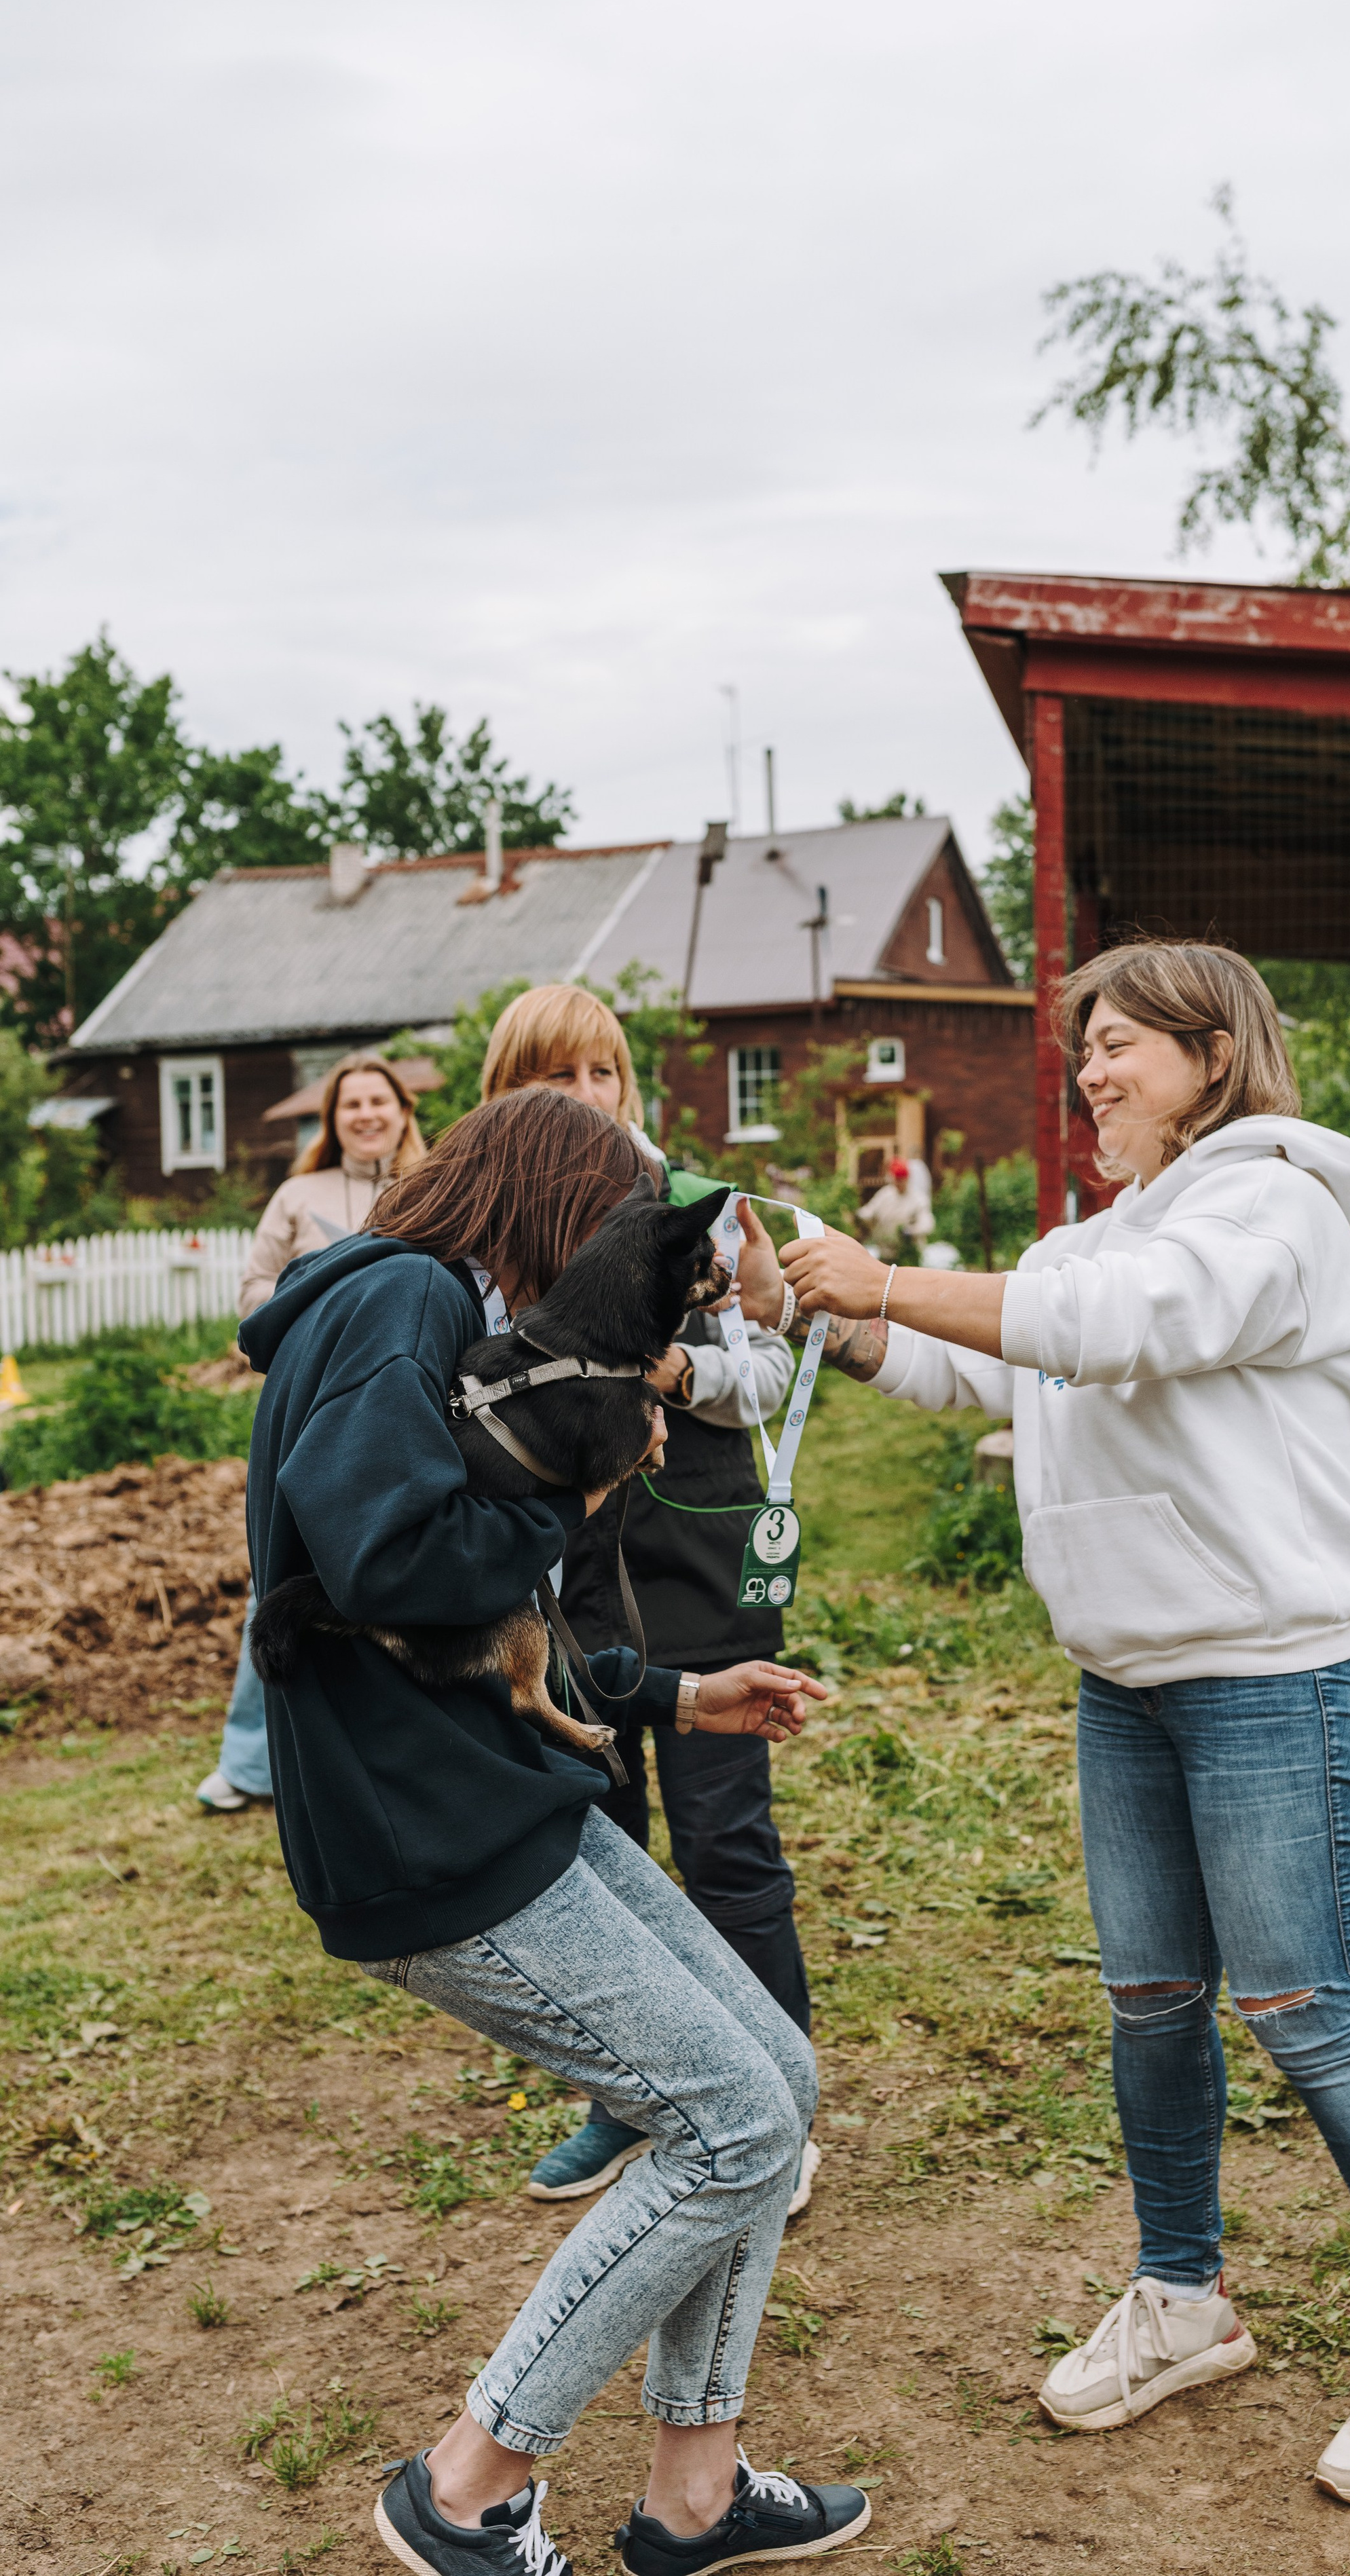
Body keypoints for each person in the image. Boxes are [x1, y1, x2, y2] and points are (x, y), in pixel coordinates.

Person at [737, 939, 1350, 2514]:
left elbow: (1122, 1321)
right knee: (1152, 1996)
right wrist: (817, 1309)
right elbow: (994, 1367)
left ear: (1214, 1057)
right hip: (1130, 1681)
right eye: (1082, 1047)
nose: (1089, 1070)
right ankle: (1181, 2295)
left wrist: (884, 1271)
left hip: (1276, 1676)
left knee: (1302, 2005)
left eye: (1122, 1045)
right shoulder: (1099, 1235)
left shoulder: (1273, 1208)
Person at [239, 1088, 870, 2576]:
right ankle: (464, 2486)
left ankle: (693, 2494)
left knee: (772, 2077)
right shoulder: (389, 1302)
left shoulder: (431, 1310)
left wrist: (672, 1688)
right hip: (427, 1823)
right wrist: (578, 1491)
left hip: (498, 1780)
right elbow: (391, 1555)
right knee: (726, 2124)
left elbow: (486, 1618)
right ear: (544, 1201)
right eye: (603, 1228)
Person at [473, 984, 823, 2212]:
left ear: (630, 1088)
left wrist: (683, 1369)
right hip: (568, 1587)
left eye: (601, 1077)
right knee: (605, 1843)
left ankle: (783, 2099)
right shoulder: (482, 1246)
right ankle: (634, 2100)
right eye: (552, 1081)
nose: (584, 1103)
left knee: (727, 1842)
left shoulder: (700, 1216)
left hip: (697, 1562)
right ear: (505, 1097)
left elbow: (773, 1369)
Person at [197, 1053, 426, 1814]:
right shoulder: (300, 1194)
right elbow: (253, 1295)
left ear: (402, 1110)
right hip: (312, 1413)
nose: (366, 1114)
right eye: (350, 1103)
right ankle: (251, 1761)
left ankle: (382, 1754)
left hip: (406, 1410)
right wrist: (319, 1295)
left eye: (379, 1101)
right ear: (332, 1120)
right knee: (284, 1575)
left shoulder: (432, 1186)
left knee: (393, 1574)